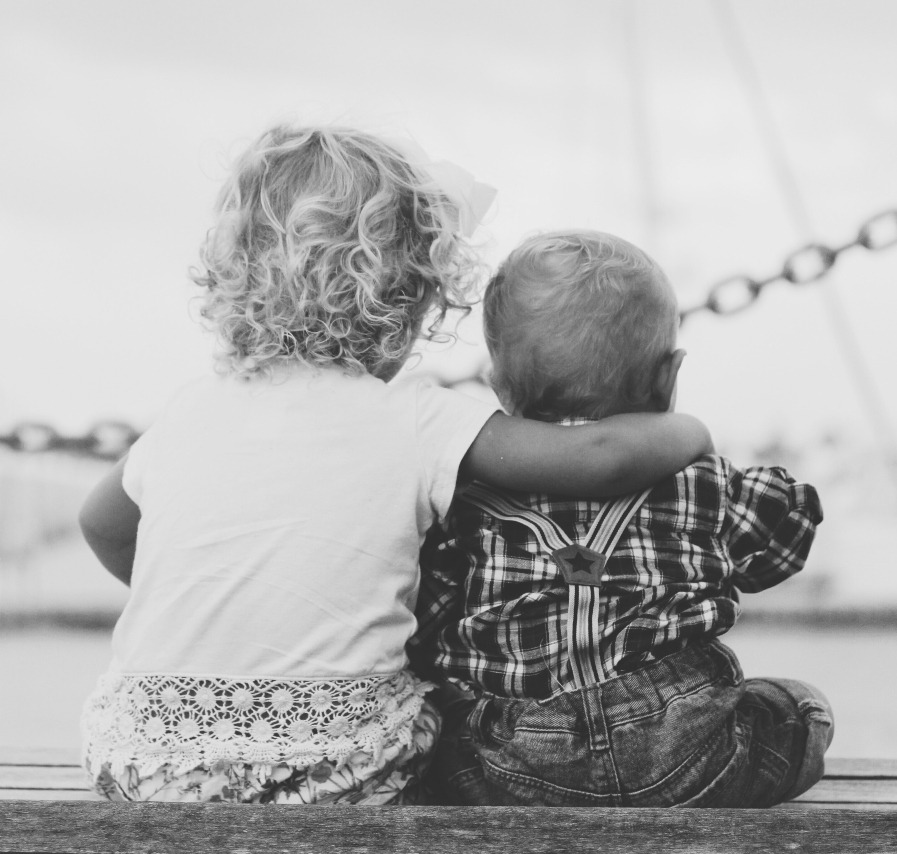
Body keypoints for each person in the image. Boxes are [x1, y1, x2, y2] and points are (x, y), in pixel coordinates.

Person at [78, 127, 713, 806]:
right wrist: (687, 429)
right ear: (409, 302)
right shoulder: (416, 417)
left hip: (141, 759)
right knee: (453, 707)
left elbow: (103, 526)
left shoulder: (192, 410)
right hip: (332, 770)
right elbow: (597, 456)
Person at [411, 229, 833, 808]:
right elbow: (782, 546)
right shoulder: (702, 485)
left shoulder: (464, 509)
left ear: (501, 388)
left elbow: (427, 628)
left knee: (442, 738)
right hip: (692, 756)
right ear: (669, 376)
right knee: (800, 709)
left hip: (519, 768)